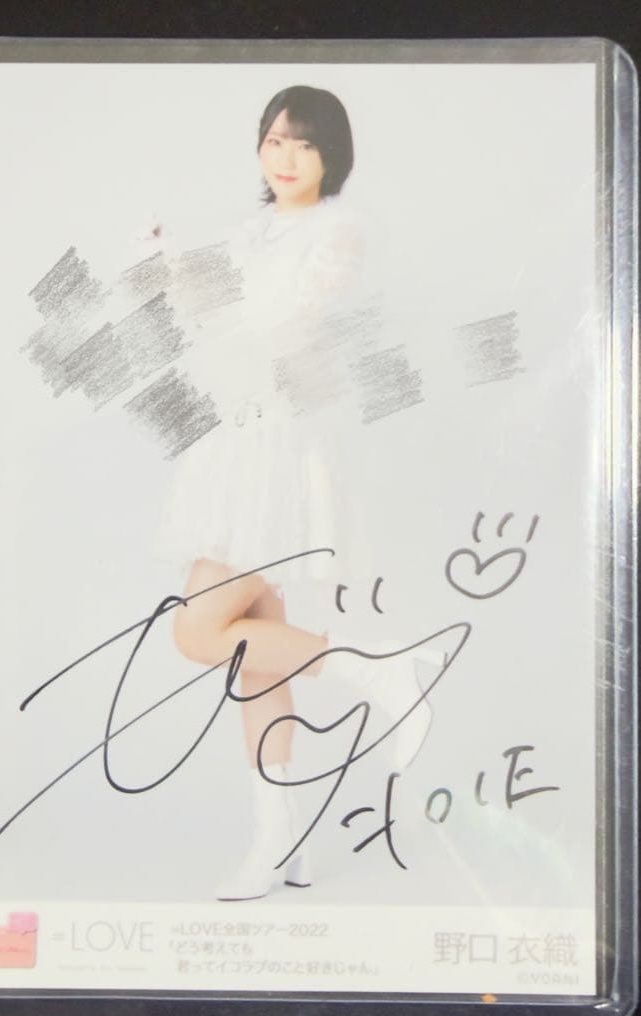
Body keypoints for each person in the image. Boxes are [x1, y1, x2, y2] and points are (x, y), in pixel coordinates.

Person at [152, 86, 445, 900]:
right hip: (233, 439)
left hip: (279, 444)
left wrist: (212, 311)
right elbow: (206, 323)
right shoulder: (250, 230)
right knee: (254, 657)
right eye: (275, 140)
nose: (285, 157)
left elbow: (289, 325)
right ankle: (279, 840)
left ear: (331, 155)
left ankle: (380, 672)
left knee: (198, 631)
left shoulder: (340, 229)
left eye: (304, 144)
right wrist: (174, 270)